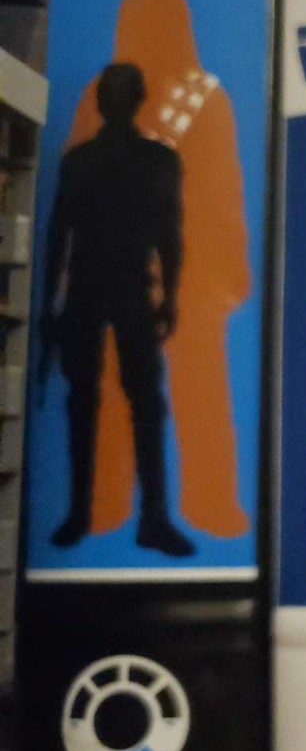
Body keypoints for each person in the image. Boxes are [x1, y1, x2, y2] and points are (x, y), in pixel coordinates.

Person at [40, 62, 193, 556]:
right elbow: (167, 235)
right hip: (113, 289)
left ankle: (103, 516)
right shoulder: (153, 160)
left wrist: (48, 306)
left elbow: (60, 236)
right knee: (124, 402)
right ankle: (130, 517)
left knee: (106, 402)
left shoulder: (84, 160)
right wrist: (169, 296)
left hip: (106, 289)